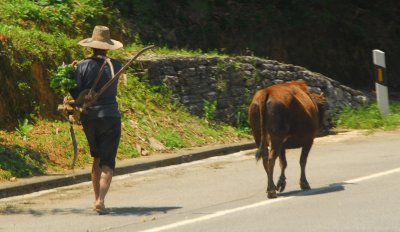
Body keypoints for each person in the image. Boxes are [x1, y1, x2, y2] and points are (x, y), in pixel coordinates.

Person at [70, 25, 123, 215]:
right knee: (108, 161)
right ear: (107, 47)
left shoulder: (82, 66)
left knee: (96, 158)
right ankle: (100, 200)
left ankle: (96, 198)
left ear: (91, 46)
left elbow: (76, 93)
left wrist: (75, 69)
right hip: (110, 117)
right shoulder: (115, 66)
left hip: (90, 118)